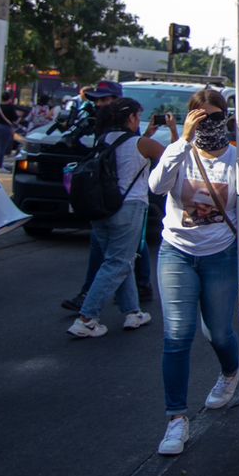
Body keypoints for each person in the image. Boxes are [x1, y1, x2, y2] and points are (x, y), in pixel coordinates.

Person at [147, 87, 239, 457]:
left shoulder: (236, 158)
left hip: (220, 254)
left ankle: (230, 370)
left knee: (219, 332)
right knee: (177, 335)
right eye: (200, 117)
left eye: (215, 116)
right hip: (177, 253)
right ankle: (175, 418)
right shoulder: (180, 153)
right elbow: (156, 187)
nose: (208, 123)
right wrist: (182, 140)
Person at [67, 97, 164, 338]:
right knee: (118, 262)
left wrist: (147, 133)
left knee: (120, 259)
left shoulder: (104, 139)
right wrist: (170, 130)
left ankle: (133, 311)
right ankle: (87, 318)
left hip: (101, 208)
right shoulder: (142, 144)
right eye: (137, 116)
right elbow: (171, 157)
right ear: (131, 118)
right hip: (130, 208)